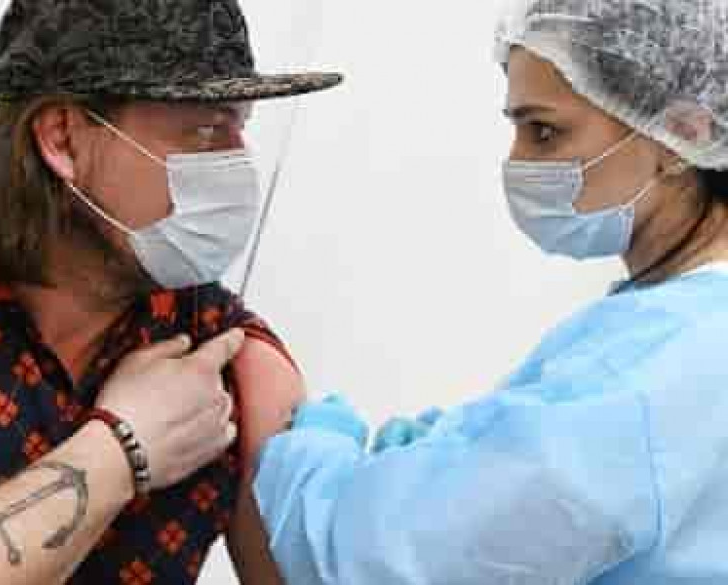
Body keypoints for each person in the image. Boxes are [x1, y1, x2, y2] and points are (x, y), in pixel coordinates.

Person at [250, 1, 728, 583]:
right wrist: (439, 457)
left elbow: (374, 561)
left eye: (544, 131)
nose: (517, 162)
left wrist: (311, 454)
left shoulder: (648, 372)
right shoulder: (680, 330)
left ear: (682, 134)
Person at [0, 1, 340, 584]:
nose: (235, 162)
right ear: (63, 138)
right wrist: (118, 450)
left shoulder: (228, 359)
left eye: (240, 126)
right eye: (203, 130)